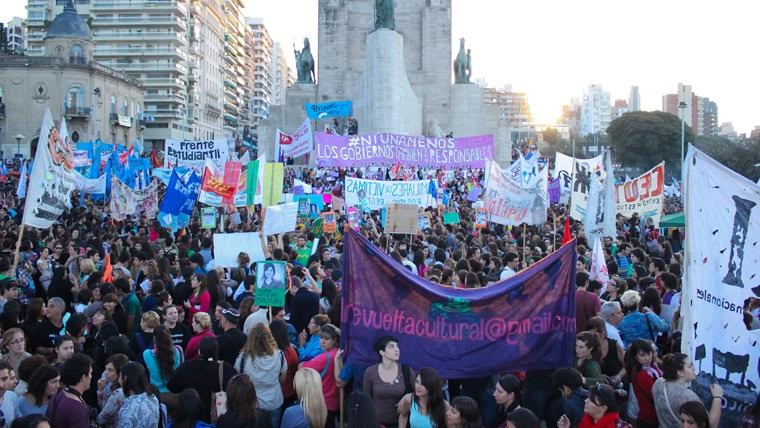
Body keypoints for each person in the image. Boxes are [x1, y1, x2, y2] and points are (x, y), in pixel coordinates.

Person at [168, 338, 237, 424]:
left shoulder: (187, 367)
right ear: (217, 351)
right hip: (218, 418)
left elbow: (171, 386)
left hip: (192, 420)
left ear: (199, 352)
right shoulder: (226, 368)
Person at [234, 323, 287, 428]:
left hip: (252, 404)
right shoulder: (279, 355)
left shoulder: (244, 357)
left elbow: (238, 378)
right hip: (274, 401)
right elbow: (283, 379)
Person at [652, 353, 723, 428]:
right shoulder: (688, 396)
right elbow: (710, 424)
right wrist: (717, 397)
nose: (693, 368)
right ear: (680, 372)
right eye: (689, 366)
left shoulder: (658, 383)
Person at [361, 335, 414, 428]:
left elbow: (420, 394)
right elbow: (366, 400)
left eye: (397, 346)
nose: (396, 349)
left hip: (401, 424)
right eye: (391, 346)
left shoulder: (406, 371)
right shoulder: (370, 372)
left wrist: (407, 397)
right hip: (377, 424)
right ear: (382, 352)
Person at [301, 324, 340, 428]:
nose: (322, 341)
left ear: (335, 340)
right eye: (321, 338)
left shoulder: (325, 358)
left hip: (322, 403)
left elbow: (302, 368)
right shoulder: (338, 354)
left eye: (326, 339)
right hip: (335, 403)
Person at [46, 353, 93, 428]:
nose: (91, 377)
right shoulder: (77, 409)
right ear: (83, 377)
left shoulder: (58, 393)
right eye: (90, 373)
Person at [624, 340, 661, 428]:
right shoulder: (641, 374)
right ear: (635, 357)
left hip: (655, 415)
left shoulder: (652, 367)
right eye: (642, 355)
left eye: (649, 354)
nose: (647, 358)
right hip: (649, 418)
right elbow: (656, 394)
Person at [557, 384, 630, 428]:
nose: (586, 401)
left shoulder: (620, 426)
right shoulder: (586, 421)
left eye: (591, 400)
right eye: (588, 398)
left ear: (603, 408)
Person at [116, 362, 161, 428]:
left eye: (119, 375)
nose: (118, 380)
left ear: (125, 378)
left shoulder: (126, 410)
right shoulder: (153, 397)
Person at [143, 325, 183, 393]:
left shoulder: (147, 354)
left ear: (154, 338)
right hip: (174, 393)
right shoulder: (178, 350)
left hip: (156, 394)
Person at [584, 317, 625, 382]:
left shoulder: (614, 345)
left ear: (604, 331)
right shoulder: (585, 347)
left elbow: (626, 365)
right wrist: (599, 376)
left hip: (615, 384)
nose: (597, 335)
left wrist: (618, 376)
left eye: (600, 332)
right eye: (594, 333)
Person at [269, 319, 299, 408]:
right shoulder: (290, 351)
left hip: (273, 393)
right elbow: (295, 369)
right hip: (288, 393)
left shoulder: (267, 352)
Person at [96, 354, 129, 427]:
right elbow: (103, 407)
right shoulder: (109, 382)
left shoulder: (118, 394)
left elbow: (100, 419)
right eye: (106, 368)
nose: (106, 373)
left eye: (110, 370)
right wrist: (100, 391)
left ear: (120, 372)